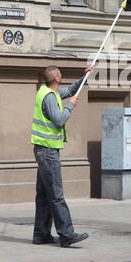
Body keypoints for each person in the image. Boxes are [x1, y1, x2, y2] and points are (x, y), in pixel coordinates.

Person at [31, 65, 93, 247]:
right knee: (56, 195)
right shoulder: (50, 97)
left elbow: (72, 89)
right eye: (60, 74)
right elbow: (58, 120)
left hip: (43, 150)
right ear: (57, 78)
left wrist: (85, 77)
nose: (61, 76)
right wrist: (71, 107)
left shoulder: (46, 91)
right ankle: (66, 234)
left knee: (44, 195)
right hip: (48, 152)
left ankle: (41, 235)